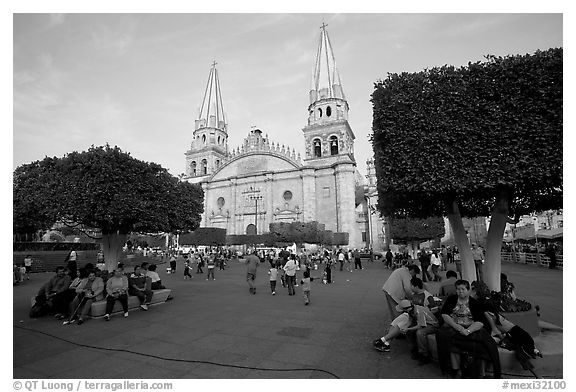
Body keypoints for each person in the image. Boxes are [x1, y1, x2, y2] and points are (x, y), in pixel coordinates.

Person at [436, 279, 501, 379]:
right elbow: (445, 314)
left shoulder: (474, 303)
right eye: (458, 289)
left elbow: (480, 321)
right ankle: (451, 369)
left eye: (463, 289)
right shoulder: (452, 299)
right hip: (454, 327)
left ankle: (493, 373)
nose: (460, 291)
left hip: (470, 328)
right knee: (442, 335)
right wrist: (458, 327)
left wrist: (468, 331)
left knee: (488, 343)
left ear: (468, 290)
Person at [372, 299, 438, 362]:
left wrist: (408, 329)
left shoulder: (419, 311)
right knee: (406, 328)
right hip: (424, 323)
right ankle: (413, 349)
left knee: (420, 333)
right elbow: (412, 321)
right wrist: (406, 327)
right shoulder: (411, 310)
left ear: (408, 309)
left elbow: (421, 325)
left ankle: (424, 354)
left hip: (432, 325)